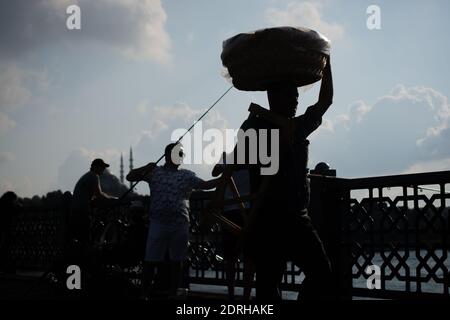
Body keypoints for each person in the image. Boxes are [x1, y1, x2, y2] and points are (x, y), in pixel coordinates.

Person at [213, 57, 334, 300]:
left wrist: (327, 63)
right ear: (273, 99)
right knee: (268, 284)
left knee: (322, 273)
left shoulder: (299, 126)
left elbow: (325, 101)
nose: (295, 102)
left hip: (298, 218)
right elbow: (241, 155)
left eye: (297, 98)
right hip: (267, 218)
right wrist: (262, 128)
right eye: (289, 97)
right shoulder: (255, 127)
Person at [127, 142, 223, 299]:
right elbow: (130, 176)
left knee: (176, 262)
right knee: (150, 261)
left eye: (182, 154)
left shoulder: (187, 175)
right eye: (179, 154)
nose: (181, 157)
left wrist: (224, 178)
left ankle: (172, 294)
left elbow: (205, 185)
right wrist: (145, 167)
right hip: (158, 222)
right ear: (168, 156)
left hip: (180, 224)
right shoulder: (154, 172)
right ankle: (144, 295)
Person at [68, 159, 117, 263]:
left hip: (75, 211)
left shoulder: (88, 176)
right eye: (102, 167)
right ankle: (84, 263)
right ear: (95, 167)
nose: (103, 169)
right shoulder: (93, 176)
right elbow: (99, 194)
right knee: (85, 239)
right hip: (81, 212)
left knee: (78, 239)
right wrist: (112, 199)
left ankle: (77, 262)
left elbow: (94, 196)